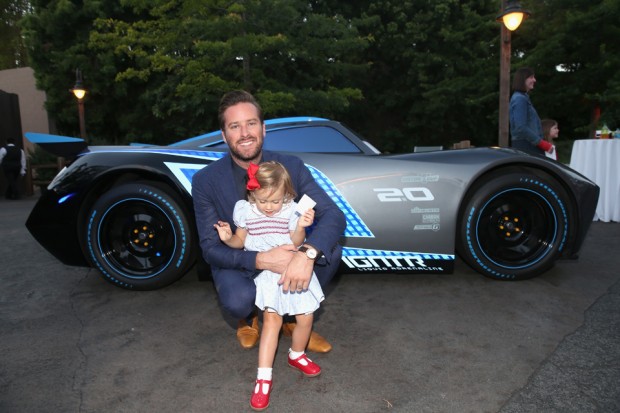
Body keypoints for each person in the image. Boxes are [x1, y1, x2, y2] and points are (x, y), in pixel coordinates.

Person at [192, 90, 346, 354]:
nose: (245, 133)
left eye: (251, 123)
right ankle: (249, 316)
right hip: (243, 261)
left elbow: (333, 215)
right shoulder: (206, 180)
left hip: (289, 251)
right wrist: (261, 260)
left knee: (330, 250)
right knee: (237, 300)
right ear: (224, 135)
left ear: (263, 129)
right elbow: (210, 248)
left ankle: (290, 318)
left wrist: (305, 255)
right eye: (235, 126)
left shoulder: (292, 167)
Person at [215, 160, 324, 410]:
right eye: (263, 201)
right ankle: (263, 378)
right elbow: (239, 243)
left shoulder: (291, 209)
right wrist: (227, 237)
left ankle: (296, 355)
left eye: (275, 201)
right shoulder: (245, 210)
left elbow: (297, 240)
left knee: (306, 318)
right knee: (272, 322)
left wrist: (301, 226)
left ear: (286, 194)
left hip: (294, 268)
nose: (269, 207)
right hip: (268, 273)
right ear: (252, 194)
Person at [509, 67, 554, 157]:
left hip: (527, 145)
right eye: (531, 77)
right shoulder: (520, 99)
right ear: (523, 79)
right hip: (527, 146)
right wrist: (542, 143)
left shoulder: (522, 97)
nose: (534, 80)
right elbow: (521, 127)